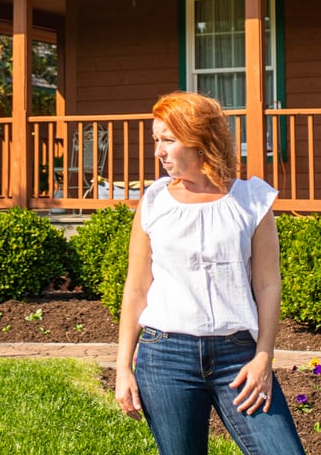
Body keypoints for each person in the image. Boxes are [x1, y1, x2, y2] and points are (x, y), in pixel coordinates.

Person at [114, 91, 305, 455]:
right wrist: (123, 367)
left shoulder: (252, 200)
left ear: (200, 141)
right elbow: (137, 287)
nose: (159, 152)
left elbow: (267, 285)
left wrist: (264, 356)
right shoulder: (154, 201)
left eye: (168, 140)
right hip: (165, 355)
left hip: (238, 355)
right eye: (156, 140)